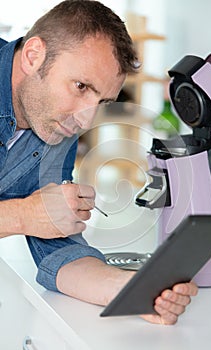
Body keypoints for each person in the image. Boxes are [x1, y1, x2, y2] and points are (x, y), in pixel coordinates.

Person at [0, 0, 197, 325]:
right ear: (34, 56)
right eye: (80, 87)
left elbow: (58, 248)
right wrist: (25, 215)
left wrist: (132, 290)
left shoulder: (59, 123)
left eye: (103, 101)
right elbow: (31, 218)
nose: (87, 119)